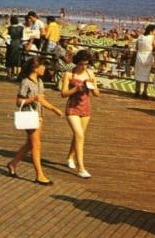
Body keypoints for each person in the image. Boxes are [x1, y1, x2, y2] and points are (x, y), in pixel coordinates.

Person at [6, 56, 63, 184]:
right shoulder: (26, 82)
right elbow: (18, 101)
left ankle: (13, 164)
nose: (45, 69)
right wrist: (32, 100)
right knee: (36, 145)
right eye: (43, 66)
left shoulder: (39, 82)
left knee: (30, 144)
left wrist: (53, 109)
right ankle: (39, 175)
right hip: (29, 116)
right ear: (36, 68)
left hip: (38, 116)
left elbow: (41, 99)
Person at [61, 49, 101, 178]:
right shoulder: (69, 74)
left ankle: (70, 157)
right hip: (72, 107)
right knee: (79, 135)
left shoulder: (90, 73)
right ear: (76, 62)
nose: (84, 66)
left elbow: (97, 94)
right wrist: (76, 89)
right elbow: (63, 93)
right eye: (81, 64)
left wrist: (92, 86)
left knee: (78, 135)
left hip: (85, 107)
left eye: (86, 64)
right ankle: (81, 168)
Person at [134, 24, 155, 98]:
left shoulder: (140, 36)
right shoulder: (151, 37)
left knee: (138, 73)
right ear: (151, 31)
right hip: (148, 56)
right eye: (154, 31)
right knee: (146, 74)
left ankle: (137, 91)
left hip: (139, 55)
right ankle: (144, 92)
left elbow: (136, 47)